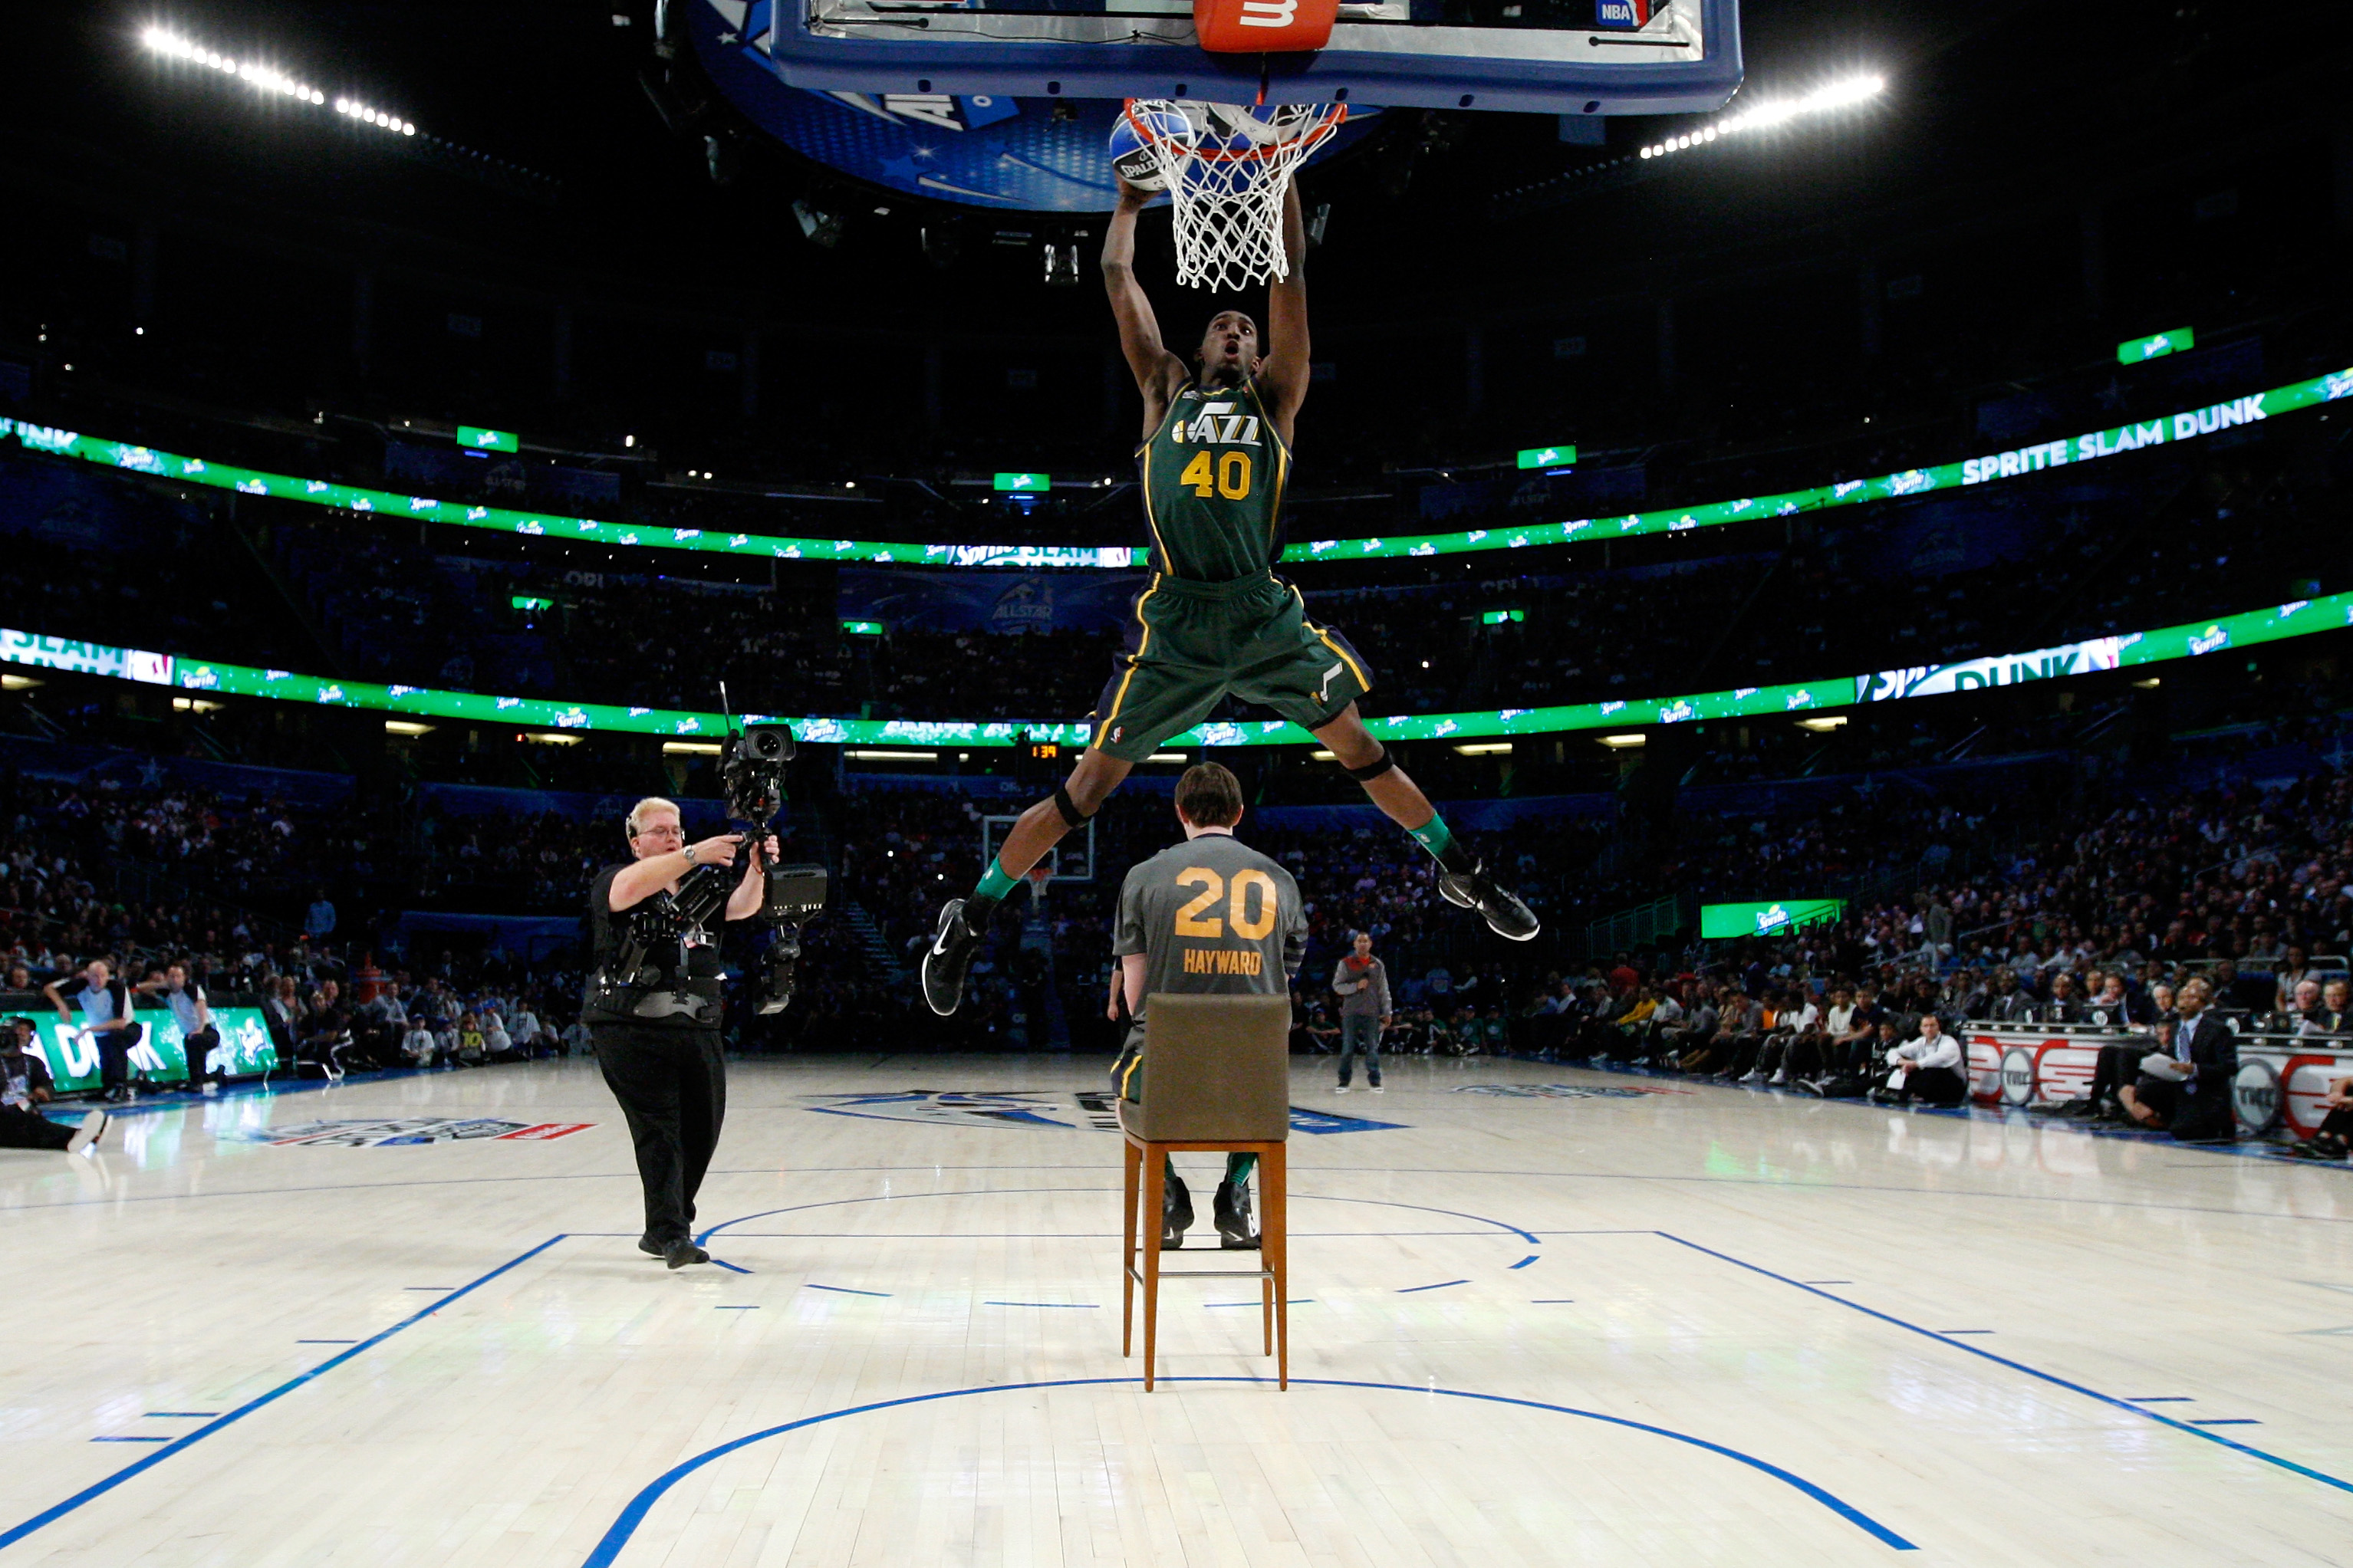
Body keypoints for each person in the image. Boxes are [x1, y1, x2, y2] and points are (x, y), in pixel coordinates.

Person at [919, 182, 1536, 1017]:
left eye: (1246, 328)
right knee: (1087, 786)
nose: (1237, 328)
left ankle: (1463, 868)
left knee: (1359, 747)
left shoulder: (1276, 402)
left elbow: (1289, 280)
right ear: (1201, 343)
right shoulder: (1161, 391)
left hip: (1258, 612)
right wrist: (1130, 206)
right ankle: (971, 916)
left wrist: (1279, 188)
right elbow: (1113, 274)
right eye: (1223, 322)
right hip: (1175, 616)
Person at [1109, 763, 1307, 1251]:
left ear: (1180, 812)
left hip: (1169, 1073)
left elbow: (1135, 997)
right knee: (1260, 1077)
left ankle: (1171, 1194)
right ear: (1239, 812)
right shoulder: (1280, 879)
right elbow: (1282, 983)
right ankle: (1236, 1195)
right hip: (1253, 1078)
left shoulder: (1143, 876)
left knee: (1121, 1083)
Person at [584, 797, 778, 1271]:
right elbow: (624, 890)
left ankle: (666, 1225)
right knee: (660, 1128)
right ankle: (672, 1232)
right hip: (629, 1025)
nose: (673, 837)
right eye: (661, 831)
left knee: (703, 1126)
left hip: (697, 1023)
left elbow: (740, 908)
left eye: (678, 831)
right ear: (635, 842)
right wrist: (696, 853)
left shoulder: (697, 888)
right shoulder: (619, 879)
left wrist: (756, 868)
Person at [2120, 977, 2236, 1139]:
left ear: (2203, 1002)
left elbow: (2230, 1067)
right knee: (2143, 1089)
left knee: (2186, 1132)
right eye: (2182, 998)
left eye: (2192, 998)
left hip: (2205, 1089)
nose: (2186, 1002)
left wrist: (2195, 1069)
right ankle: (2163, 1116)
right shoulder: (2175, 1027)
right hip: (2179, 1086)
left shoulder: (2218, 1029)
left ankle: (2209, 1120)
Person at [0, 1017, 108, 1156]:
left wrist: (42, 1091)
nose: (23, 1034)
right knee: (27, 1124)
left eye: (27, 1030)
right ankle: (77, 1135)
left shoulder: (33, 1062)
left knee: (34, 1124)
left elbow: (47, 1086)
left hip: (25, 1115)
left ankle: (78, 1136)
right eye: (19, 1029)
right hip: (5, 1118)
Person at [44, 958, 146, 1103]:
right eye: (95, 976)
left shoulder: (117, 988)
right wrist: (62, 1005)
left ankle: (120, 1086)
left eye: (103, 976)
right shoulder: (80, 985)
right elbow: (49, 988)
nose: (99, 980)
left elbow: (120, 1022)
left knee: (115, 1039)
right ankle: (108, 1087)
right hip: (103, 1030)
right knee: (104, 1051)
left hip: (129, 1029)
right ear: (87, 976)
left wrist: (88, 1030)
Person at [138, 962, 222, 1092]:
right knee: (191, 1042)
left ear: (184, 978)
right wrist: (162, 984)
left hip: (207, 1032)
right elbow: (140, 987)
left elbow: (201, 1008)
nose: (175, 980)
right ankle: (209, 1078)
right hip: (191, 1035)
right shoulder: (168, 994)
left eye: (178, 976)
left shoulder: (191, 989)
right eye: (171, 976)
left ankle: (198, 1081)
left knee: (192, 1041)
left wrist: (199, 1028)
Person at [1330, 931, 1391, 1094]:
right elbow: (1337, 986)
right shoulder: (1346, 963)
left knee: (1372, 1048)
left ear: (1370, 944)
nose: (1363, 943)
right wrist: (1356, 987)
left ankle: (1375, 1081)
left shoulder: (1378, 965)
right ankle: (1343, 1081)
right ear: (1354, 944)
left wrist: (1387, 1011)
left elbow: (1383, 990)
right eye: (1360, 941)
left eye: (1366, 941)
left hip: (1372, 1012)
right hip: (1351, 1012)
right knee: (1348, 1048)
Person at [1871, 1013, 1968, 1107]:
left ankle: (1907, 1092)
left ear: (1938, 1027)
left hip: (1953, 1087)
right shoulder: (1920, 1042)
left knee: (1933, 1070)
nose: (1929, 1029)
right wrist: (1905, 1063)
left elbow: (1940, 1058)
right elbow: (1892, 1053)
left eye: (1932, 1026)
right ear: (1921, 1029)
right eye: (1926, 1026)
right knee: (1901, 1067)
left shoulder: (1949, 1041)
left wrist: (1916, 1064)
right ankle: (1890, 1089)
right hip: (1932, 1085)